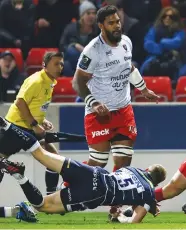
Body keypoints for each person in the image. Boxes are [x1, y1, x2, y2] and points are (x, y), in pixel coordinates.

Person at [0, 116, 167, 223]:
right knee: (42, 205)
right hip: (95, 193)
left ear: (146, 169)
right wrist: (121, 217)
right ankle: (19, 176)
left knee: (40, 153)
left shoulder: (133, 170)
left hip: (92, 172)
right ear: (156, 182)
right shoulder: (148, 192)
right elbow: (135, 221)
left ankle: (7, 126)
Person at [72, 5, 159, 172]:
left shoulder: (126, 42)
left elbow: (129, 69)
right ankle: (71, 183)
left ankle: (115, 197)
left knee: (123, 163)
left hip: (123, 110)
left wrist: (144, 90)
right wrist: (94, 103)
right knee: (98, 165)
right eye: (111, 23)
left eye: (118, 21)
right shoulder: (92, 50)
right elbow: (78, 81)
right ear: (101, 26)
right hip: (99, 113)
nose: (117, 26)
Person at [0, 52, 64, 195]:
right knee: (1, 162)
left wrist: (42, 121)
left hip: (29, 129)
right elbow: (20, 102)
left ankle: (51, 194)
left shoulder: (50, 82)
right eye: (56, 64)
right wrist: (35, 124)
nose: (59, 67)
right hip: (16, 128)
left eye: (61, 64)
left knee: (53, 156)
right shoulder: (36, 81)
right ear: (44, 65)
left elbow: (34, 105)